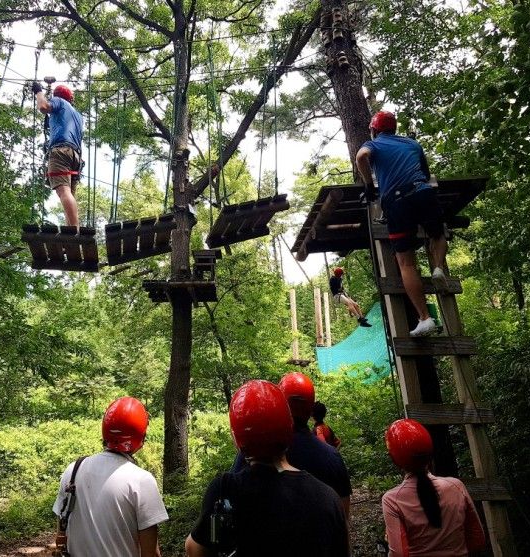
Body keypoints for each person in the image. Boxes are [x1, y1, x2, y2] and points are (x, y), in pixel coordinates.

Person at [186, 380, 349, 557]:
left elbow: (195, 549)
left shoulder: (224, 490)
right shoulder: (327, 498)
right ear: (288, 427)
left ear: (237, 439)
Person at [355, 110, 447, 337]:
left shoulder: (374, 144)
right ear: (394, 128)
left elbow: (360, 157)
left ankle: (425, 318)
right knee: (438, 232)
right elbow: (425, 174)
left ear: (374, 130)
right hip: (423, 192)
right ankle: (438, 268)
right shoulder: (412, 144)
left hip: (396, 201)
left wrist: (369, 184)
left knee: (406, 262)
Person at [53, 396, 168, 557]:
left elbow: (61, 535)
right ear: (141, 436)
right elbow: (151, 553)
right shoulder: (142, 481)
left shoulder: (73, 470)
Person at [231, 372, 353, 517]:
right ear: (311, 409)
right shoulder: (332, 457)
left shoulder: (257, 453)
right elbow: (343, 518)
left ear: (280, 404)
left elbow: (233, 497)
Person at [382, 419, 486, 557]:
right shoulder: (456, 486)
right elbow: (477, 540)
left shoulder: (392, 500)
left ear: (394, 459)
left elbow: (399, 554)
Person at [31, 81, 83, 227]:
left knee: (63, 192)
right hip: (75, 156)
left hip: (61, 151)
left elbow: (43, 107)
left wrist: (39, 92)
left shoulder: (59, 101)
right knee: (69, 195)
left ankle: (74, 231)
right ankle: (71, 231)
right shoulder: (77, 115)